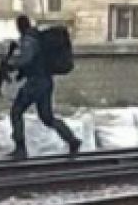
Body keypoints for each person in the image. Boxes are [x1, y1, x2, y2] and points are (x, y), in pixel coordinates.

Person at [5, 14, 81, 161]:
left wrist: (11, 65)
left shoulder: (29, 40)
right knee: (47, 117)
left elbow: (26, 59)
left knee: (16, 111)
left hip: (36, 83)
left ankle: (20, 148)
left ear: (20, 26)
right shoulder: (38, 38)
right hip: (45, 81)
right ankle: (72, 140)